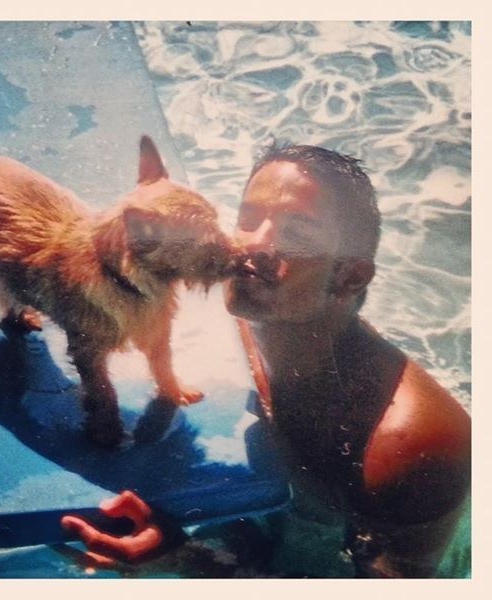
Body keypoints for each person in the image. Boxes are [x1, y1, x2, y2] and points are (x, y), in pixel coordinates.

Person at [60, 144, 471, 578]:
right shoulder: (236, 317)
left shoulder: (412, 448)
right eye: (248, 219)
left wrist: (187, 559)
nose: (254, 245)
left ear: (349, 277)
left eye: (295, 235)